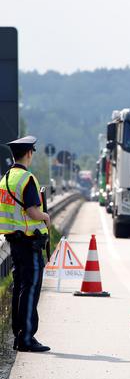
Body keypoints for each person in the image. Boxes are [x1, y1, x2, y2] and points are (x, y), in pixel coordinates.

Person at [0, 136, 51, 352]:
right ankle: (27, 338)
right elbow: (32, 211)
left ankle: (18, 335)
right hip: (29, 243)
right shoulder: (27, 179)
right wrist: (45, 217)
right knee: (30, 290)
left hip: (13, 242)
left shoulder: (5, 179)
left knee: (20, 288)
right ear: (29, 153)